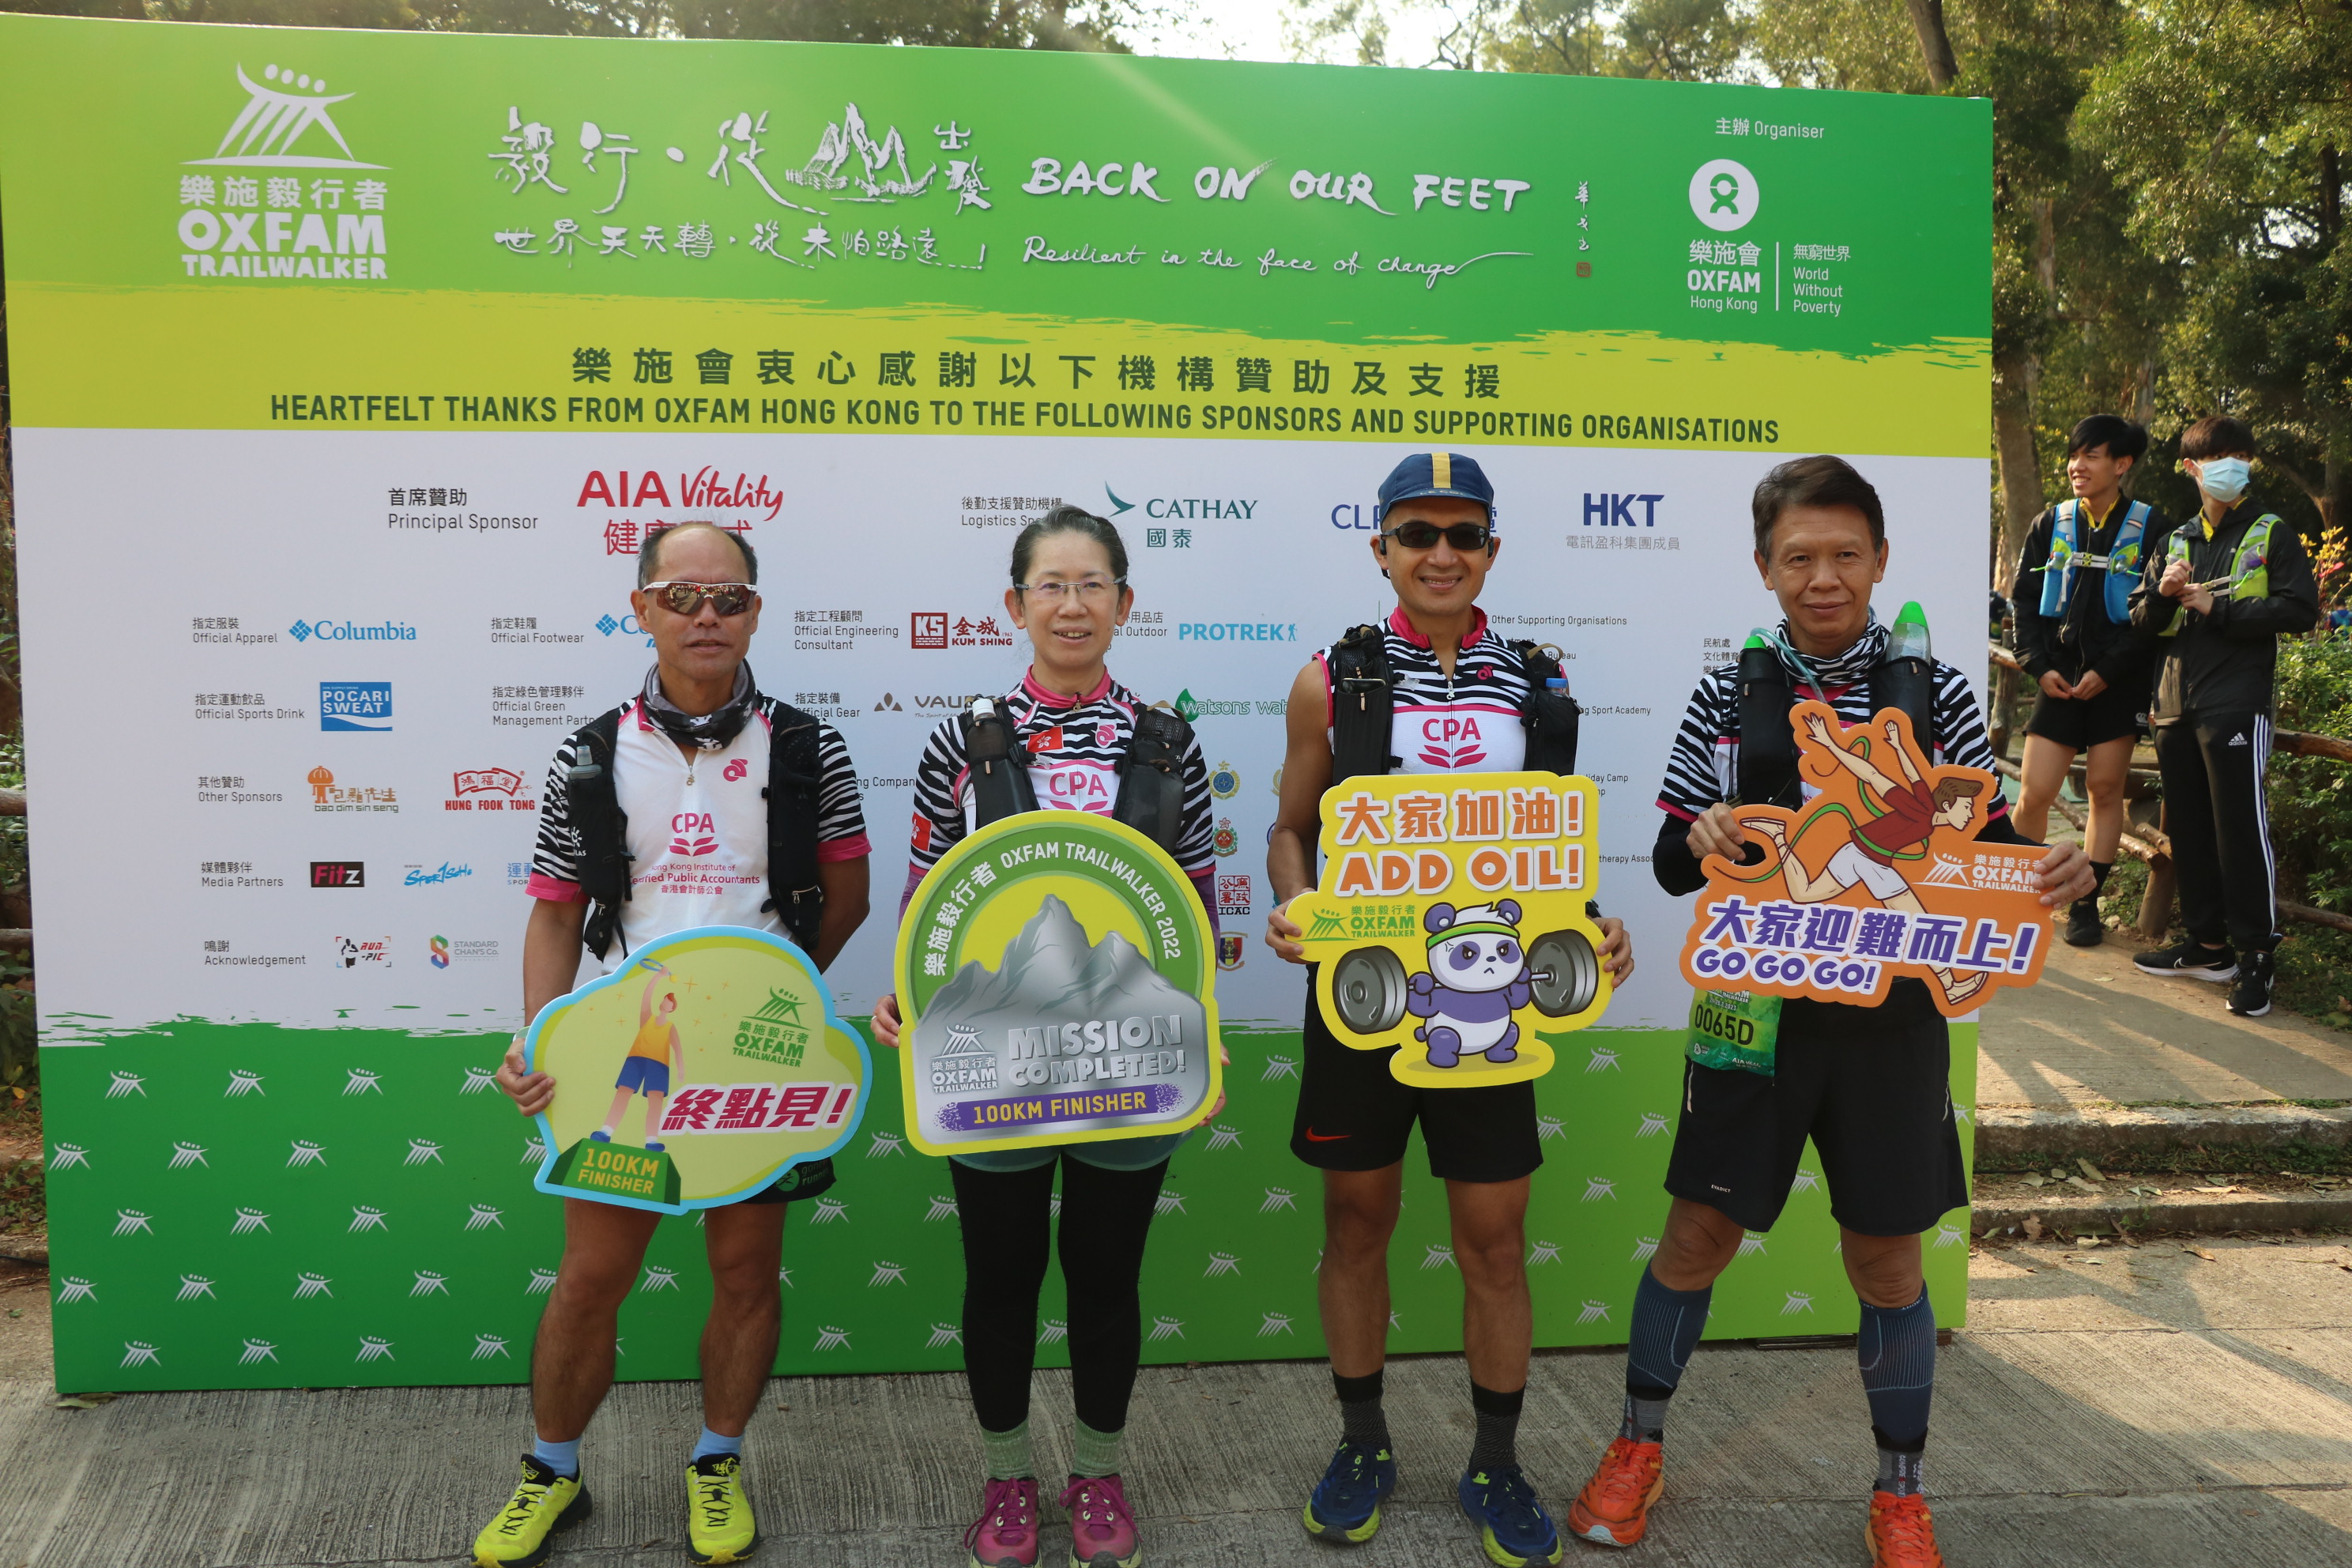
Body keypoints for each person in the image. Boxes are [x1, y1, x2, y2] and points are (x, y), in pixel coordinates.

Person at [1567, 456, 2092, 1567]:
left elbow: (1994, 848)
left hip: (1892, 1018)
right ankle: (1635, 1447)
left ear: (1881, 560)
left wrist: (2054, 870)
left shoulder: (1939, 693)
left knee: (1889, 1263)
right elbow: (1670, 860)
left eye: (1846, 554)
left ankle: (1901, 1492)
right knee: (1697, 1237)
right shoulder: (1729, 691)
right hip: (1752, 1011)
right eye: (1799, 557)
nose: (1824, 578)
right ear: (1765, 567)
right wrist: (1704, 832)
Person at [477, 520, 874, 1568]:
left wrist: (770, 1010)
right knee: (589, 1278)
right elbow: (556, 910)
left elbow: (849, 895)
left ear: (755, 612)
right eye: (683, 597)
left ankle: (717, 1460)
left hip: (753, 1069)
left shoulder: (809, 747)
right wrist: (541, 1036)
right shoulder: (590, 751)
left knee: (745, 1272)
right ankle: (551, 1471)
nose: (708, 616)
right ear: (641, 608)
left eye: (729, 598)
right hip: (622, 1062)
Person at [1265, 451, 1635, 1568]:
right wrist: (1299, 905)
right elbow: (1291, 829)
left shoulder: (1539, 680)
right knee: (1355, 1225)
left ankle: (1496, 1463)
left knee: (1495, 1240)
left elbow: (1551, 856)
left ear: (1491, 550)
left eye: (1463, 534)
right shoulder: (1331, 676)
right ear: (1380, 547)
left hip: (1496, 1008)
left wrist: (1593, 929)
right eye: (1417, 533)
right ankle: (1363, 1446)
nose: (1441, 553)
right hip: (1367, 999)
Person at [869, 505, 1220, 1568]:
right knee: (1003, 1276)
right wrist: (910, 994)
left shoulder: (1167, 739)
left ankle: (1100, 1474)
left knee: (1107, 1278)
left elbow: (1193, 905)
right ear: (1015, 605)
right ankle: (1009, 1479)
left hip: (1131, 1058)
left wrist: (1197, 1021)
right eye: (1051, 586)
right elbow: (931, 893)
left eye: (1092, 584)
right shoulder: (964, 739)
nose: (1072, 605)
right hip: (993, 1056)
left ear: (1124, 602)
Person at [2128, 416, 2319, 1016]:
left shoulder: (2271, 531)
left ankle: (2257, 956)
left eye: (2240, 456)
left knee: (2240, 828)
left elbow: (2301, 609)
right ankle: (2209, 948)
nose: (2232, 467)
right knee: (2189, 829)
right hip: (2174, 705)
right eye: (2218, 458)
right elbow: (2140, 620)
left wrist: (2220, 608)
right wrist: (2162, 595)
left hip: (2236, 701)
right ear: (2191, 468)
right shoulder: (2174, 539)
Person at [2011, 414, 2174, 946]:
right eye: (2074, 455)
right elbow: (2023, 602)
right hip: (2057, 679)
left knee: (2105, 790)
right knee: (2035, 792)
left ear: (2121, 465)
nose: (2076, 466)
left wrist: (2108, 671)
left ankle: (2086, 906)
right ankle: (2013, 897)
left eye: (2091, 456)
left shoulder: (2153, 526)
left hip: (2117, 683)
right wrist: (2039, 666)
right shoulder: (2049, 523)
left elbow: (2155, 614)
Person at [593, 960, 681, 1149]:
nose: (666, 1002)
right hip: (637, 1059)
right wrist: (657, 977)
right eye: (665, 999)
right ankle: (606, 1131)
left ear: (672, 1008)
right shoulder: (647, 1018)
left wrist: (681, 1068)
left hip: (659, 1065)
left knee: (656, 1101)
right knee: (623, 1093)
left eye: (670, 1002)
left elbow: (677, 1048)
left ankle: (652, 1141)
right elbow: (646, 998)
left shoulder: (670, 1027)